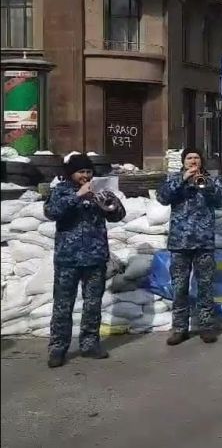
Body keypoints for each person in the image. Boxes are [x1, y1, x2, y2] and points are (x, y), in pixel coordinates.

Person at [43, 154, 126, 368]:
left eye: (88, 172)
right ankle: (58, 348)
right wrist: (78, 196)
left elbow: (117, 216)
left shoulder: (98, 190)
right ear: (71, 174)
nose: (86, 176)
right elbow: (51, 212)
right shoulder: (61, 191)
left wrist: (112, 202)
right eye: (81, 172)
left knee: (92, 304)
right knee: (63, 305)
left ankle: (90, 344)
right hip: (68, 258)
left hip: (95, 257)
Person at [157, 148, 222, 346]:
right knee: (179, 288)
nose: (193, 161)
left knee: (205, 286)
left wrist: (206, 186)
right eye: (189, 158)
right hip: (180, 243)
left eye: (196, 158)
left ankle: (206, 327)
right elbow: (162, 197)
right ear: (183, 161)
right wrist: (183, 178)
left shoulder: (211, 179)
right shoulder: (174, 178)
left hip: (204, 242)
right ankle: (179, 328)